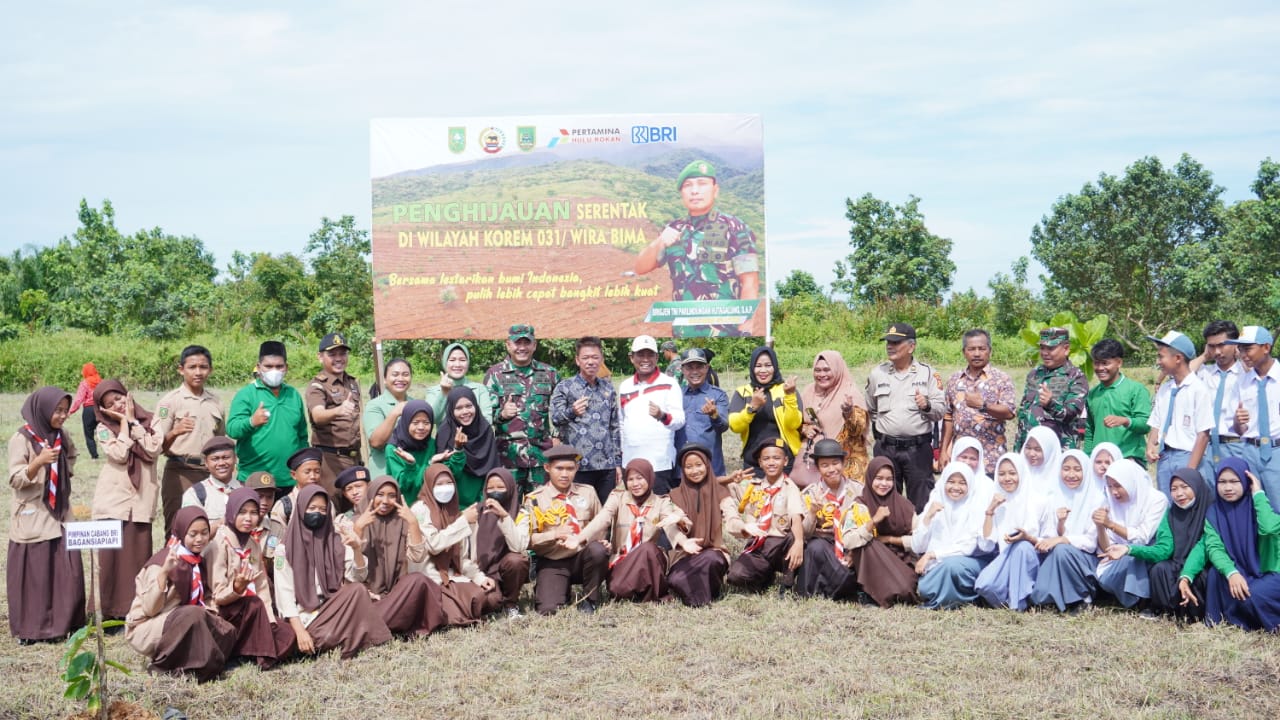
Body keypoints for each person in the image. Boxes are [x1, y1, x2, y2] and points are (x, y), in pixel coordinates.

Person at [633, 159, 761, 337]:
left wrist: (745, 328)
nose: (695, 191)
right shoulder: (674, 229)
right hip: (683, 333)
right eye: (688, 185)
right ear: (681, 193)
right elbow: (640, 267)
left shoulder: (734, 227)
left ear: (715, 190)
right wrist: (660, 241)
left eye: (702, 184)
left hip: (723, 334)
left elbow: (749, 281)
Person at [274, 485, 392, 659]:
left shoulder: (334, 540)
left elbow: (358, 576)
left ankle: (339, 637)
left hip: (332, 607)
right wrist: (300, 632)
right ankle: (334, 637)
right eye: (312, 508)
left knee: (357, 590)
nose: (318, 513)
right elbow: (285, 595)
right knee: (361, 604)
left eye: (323, 509)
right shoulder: (284, 549)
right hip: (307, 619)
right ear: (300, 509)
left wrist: (357, 549)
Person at [7, 386, 85, 643]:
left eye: (65, 411)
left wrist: (64, 474)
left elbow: (72, 455)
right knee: (36, 575)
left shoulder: (61, 436)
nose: (62, 416)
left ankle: (63, 626)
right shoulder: (22, 438)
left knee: (66, 570)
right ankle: (33, 629)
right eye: (57, 411)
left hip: (61, 513)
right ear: (42, 410)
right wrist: (38, 463)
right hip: (34, 514)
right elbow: (15, 479)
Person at [125, 507, 236, 681]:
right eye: (193, 534)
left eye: (204, 533)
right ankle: (165, 665)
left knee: (227, 631)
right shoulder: (162, 562)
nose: (199, 539)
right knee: (193, 615)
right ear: (181, 532)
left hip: (183, 619)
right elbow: (149, 609)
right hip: (147, 625)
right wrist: (164, 573)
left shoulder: (197, 560)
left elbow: (206, 597)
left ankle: (195, 662)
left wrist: (213, 617)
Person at [92, 379, 163, 621]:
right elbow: (119, 454)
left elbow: (153, 449)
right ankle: (107, 614)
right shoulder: (102, 428)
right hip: (113, 500)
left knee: (137, 556)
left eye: (119, 398)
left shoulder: (152, 420)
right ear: (103, 409)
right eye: (110, 404)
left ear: (128, 395)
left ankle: (135, 611)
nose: (118, 405)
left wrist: (133, 422)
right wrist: (123, 425)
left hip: (142, 499)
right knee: (110, 560)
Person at [1181, 459, 1280, 631]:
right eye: (1222, 482)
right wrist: (1231, 572)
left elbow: (1269, 529)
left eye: (1234, 482)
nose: (1227, 488)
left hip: (1270, 572)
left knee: (1252, 596)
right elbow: (1213, 547)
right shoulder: (1214, 511)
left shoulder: (1261, 505)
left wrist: (1257, 493)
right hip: (1241, 570)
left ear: (1246, 482)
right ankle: (1219, 621)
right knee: (1215, 574)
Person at [577, 459, 691, 603]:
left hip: (650, 561)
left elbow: (673, 525)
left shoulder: (661, 502)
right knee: (617, 589)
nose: (635, 484)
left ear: (650, 478)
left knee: (648, 549)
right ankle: (636, 588)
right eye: (630, 479)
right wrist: (579, 538)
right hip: (623, 559)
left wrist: (683, 538)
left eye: (640, 478)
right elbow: (602, 518)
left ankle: (652, 593)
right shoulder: (617, 497)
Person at [1102, 467, 1208, 620]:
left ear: (1197, 486)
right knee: (1160, 569)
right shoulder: (1171, 514)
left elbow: (1204, 549)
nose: (1179, 494)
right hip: (1177, 563)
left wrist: (1187, 575)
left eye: (1185, 487)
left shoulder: (1210, 512)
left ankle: (1198, 613)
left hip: (1202, 565)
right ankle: (1165, 610)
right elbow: (1164, 550)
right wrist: (1128, 549)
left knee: (1205, 576)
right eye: (1174, 489)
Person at [207, 488, 296, 668]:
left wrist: (270, 620)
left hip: (251, 611)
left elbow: (262, 585)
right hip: (224, 611)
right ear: (231, 511)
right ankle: (251, 652)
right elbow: (217, 596)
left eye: (254, 513)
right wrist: (238, 588)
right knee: (253, 604)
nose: (248, 518)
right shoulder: (218, 543)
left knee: (288, 634)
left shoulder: (252, 544)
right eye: (242, 512)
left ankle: (249, 649)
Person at [519, 445, 609, 615]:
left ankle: (590, 599)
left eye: (570, 469)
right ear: (547, 468)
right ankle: (560, 589)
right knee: (548, 609)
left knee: (598, 550)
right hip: (553, 560)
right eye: (559, 468)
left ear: (577, 469)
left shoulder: (588, 492)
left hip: (583, 557)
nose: (565, 474)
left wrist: (601, 540)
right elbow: (528, 540)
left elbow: (600, 523)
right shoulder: (535, 499)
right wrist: (554, 534)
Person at [865, 324, 946, 511]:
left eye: (896, 342)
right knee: (884, 498)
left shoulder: (928, 373)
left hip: (917, 449)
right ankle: (887, 540)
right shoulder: (878, 373)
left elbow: (941, 410)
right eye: (888, 342)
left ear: (911, 346)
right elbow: (871, 409)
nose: (890, 346)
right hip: (886, 447)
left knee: (921, 500)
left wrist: (926, 405)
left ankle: (919, 538)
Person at [358, 475, 446, 636]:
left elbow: (417, 556)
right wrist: (358, 528)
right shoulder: (354, 521)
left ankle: (377, 626)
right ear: (371, 495)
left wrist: (413, 523)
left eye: (391, 496)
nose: (385, 501)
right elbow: (349, 570)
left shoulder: (403, 522)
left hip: (396, 596)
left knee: (418, 580)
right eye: (380, 494)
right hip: (367, 598)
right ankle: (380, 624)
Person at [153, 345, 226, 537]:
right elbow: (157, 446)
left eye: (203, 367)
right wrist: (176, 431)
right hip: (180, 472)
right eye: (192, 367)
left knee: (210, 528)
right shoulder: (169, 402)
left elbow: (220, 440)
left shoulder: (216, 402)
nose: (198, 372)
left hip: (210, 473)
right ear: (181, 369)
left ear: (210, 370)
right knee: (178, 528)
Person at [414, 464, 500, 626]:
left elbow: (461, 557)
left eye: (449, 483)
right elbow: (433, 544)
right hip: (430, 577)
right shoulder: (420, 510)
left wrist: (478, 577)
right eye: (439, 484)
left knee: (493, 598)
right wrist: (463, 522)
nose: (445, 488)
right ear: (429, 485)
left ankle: (456, 601)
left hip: (453, 574)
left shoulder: (453, 510)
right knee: (458, 613)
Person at [1030, 447, 1109, 611]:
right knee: (1040, 594)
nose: (1071, 475)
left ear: (1085, 471)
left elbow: (1090, 543)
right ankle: (1056, 596)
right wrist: (1060, 525)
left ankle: (1081, 596)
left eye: (1077, 469)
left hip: (1087, 559)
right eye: (1066, 469)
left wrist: (1063, 539)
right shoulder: (1054, 496)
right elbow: (1048, 536)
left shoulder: (1096, 499)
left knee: (1062, 550)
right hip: (1059, 553)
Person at [484, 324, 560, 492]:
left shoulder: (550, 374)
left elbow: (560, 412)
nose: (522, 348)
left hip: (541, 457)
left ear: (534, 345)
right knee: (509, 508)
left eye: (527, 343)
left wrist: (557, 437)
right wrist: (501, 414)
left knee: (543, 509)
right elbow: (485, 415)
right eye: (518, 343)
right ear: (508, 344)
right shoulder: (495, 375)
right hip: (508, 457)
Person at [974, 453, 1055, 610]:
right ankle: (1016, 597)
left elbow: (1049, 540)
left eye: (1012, 473)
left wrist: (1028, 538)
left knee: (1022, 548)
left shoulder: (1039, 501)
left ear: (1022, 473)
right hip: (1004, 557)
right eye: (1002, 474)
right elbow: (986, 545)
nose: (1007, 478)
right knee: (984, 586)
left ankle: (1019, 603)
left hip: (1034, 557)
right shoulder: (995, 500)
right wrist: (990, 511)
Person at [795, 440, 873, 600]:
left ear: (843, 463)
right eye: (825, 465)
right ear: (817, 468)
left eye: (835, 463)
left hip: (851, 545)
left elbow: (867, 525)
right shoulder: (810, 493)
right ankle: (809, 592)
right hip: (825, 546)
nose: (831, 469)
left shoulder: (859, 491)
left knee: (847, 574)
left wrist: (853, 552)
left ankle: (834, 587)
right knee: (814, 547)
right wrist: (812, 513)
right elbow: (805, 534)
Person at [725, 441, 806, 593]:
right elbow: (718, 488)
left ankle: (788, 582)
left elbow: (796, 517)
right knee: (735, 576)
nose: (771, 462)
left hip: (781, 543)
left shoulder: (790, 487)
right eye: (766, 459)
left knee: (793, 539)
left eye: (776, 458)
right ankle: (764, 577)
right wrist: (730, 479)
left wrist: (799, 543)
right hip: (759, 544)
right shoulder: (752, 487)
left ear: (785, 461)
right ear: (760, 463)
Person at [549, 336, 622, 504]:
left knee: (605, 516)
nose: (591, 362)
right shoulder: (565, 387)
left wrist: (617, 462)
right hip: (577, 465)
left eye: (595, 357)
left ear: (601, 360)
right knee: (579, 515)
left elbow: (614, 427)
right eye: (586, 358)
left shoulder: (608, 389)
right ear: (577, 360)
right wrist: (572, 411)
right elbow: (555, 419)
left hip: (606, 466)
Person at [911, 462, 992, 609]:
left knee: (951, 566)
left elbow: (968, 547)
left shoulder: (975, 507)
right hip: (937, 566)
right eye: (951, 481)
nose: (956, 487)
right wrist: (928, 517)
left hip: (967, 564)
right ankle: (958, 597)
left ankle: (960, 598)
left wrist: (932, 554)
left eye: (962, 483)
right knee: (925, 588)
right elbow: (917, 546)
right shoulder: (935, 503)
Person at [227, 341, 308, 487]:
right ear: (258, 367)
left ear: (286, 368)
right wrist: (251, 422)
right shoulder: (246, 394)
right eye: (268, 366)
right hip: (254, 479)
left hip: (289, 479)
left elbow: (302, 435)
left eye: (279, 366)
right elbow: (232, 429)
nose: (274, 371)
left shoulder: (293, 395)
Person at [1145, 331, 1213, 500]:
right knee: (1166, 506)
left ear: (1178, 358)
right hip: (1165, 456)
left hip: (1187, 456)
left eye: (1161, 357)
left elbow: (1203, 435)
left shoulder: (1199, 390)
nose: (1158, 362)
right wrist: (1151, 445)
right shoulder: (1166, 389)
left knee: (1189, 506)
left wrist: (1190, 470)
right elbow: (1157, 422)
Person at [1093, 459, 1170, 608]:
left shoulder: (1156, 500)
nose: (1114, 492)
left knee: (1134, 557)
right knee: (1105, 577)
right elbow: (1106, 548)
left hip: (1148, 554)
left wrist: (1111, 524)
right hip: (1118, 557)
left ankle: (1144, 599)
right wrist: (1100, 527)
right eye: (1109, 486)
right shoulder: (1108, 501)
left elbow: (1143, 537)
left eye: (1118, 486)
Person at [941, 329, 1017, 477]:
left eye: (982, 349)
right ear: (964, 352)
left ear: (990, 351)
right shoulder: (954, 380)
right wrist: (944, 451)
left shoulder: (1001, 379)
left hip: (991, 459)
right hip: (961, 459)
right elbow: (948, 417)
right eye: (971, 349)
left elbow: (1009, 412)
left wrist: (984, 406)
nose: (977, 353)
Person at [666, 444, 735, 607]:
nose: (694, 471)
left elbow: (732, 514)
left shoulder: (720, 491)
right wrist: (682, 528)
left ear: (707, 465)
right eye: (688, 467)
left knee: (712, 559)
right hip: (685, 555)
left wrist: (742, 527)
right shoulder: (674, 495)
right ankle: (705, 592)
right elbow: (674, 521)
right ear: (682, 470)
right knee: (675, 579)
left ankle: (699, 599)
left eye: (699, 465)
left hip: (713, 551)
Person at [793, 350, 871, 488]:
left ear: (837, 369)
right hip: (812, 462)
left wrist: (848, 412)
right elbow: (795, 422)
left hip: (843, 465)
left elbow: (858, 429)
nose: (822, 375)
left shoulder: (850, 392)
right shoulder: (808, 391)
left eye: (827, 370)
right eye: (817, 370)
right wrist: (804, 428)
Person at [618, 335, 685, 494]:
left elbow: (679, 420)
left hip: (659, 462)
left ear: (657, 357)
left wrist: (662, 415)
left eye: (650, 355)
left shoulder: (669, 383)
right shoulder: (625, 386)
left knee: (659, 512)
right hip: (631, 462)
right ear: (631, 357)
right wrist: (622, 453)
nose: (645, 359)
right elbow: (621, 423)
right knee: (633, 511)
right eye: (640, 355)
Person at [853, 457, 920, 607]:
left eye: (889, 479)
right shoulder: (860, 504)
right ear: (870, 478)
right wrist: (874, 521)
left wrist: (890, 539)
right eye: (879, 478)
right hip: (870, 559)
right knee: (868, 544)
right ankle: (869, 593)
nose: (884, 484)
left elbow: (918, 540)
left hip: (901, 560)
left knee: (905, 590)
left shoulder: (905, 505)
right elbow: (851, 539)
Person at [1226, 326, 1280, 510]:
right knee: (1252, 507)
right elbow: (1238, 429)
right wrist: (1237, 421)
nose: (1243, 354)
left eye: (1248, 348)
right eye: (1240, 349)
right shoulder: (1242, 382)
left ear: (1266, 347)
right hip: (1250, 451)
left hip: (1276, 450)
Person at [728, 346, 802, 477]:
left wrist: (790, 396)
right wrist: (752, 408)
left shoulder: (787, 389)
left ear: (775, 367)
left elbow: (794, 424)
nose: (763, 370)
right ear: (752, 368)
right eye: (758, 366)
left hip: (784, 461)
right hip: (754, 461)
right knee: (755, 497)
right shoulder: (743, 392)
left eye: (768, 365)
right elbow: (735, 426)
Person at [306, 333, 363, 496]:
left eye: (343, 353)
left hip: (354, 458)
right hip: (331, 460)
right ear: (320, 357)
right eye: (332, 354)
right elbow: (317, 414)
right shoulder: (317, 385)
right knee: (333, 506)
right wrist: (338, 411)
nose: (339, 358)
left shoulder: (352, 383)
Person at [1015, 327, 1088, 452]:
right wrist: (1018, 449)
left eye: (1051, 348)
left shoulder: (1075, 376)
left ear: (1066, 349)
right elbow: (1024, 415)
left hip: (1058, 450)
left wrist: (1051, 404)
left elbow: (1071, 414)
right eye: (1042, 348)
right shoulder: (1034, 374)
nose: (1045, 353)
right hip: (1030, 451)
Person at [472, 468, 530, 617]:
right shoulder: (476, 512)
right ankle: (498, 598)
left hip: (508, 571)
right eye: (490, 488)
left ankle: (511, 603)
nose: (495, 491)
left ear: (510, 488)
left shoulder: (520, 513)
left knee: (516, 560)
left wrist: (504, 516)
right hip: (483, 573)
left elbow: (519, 547)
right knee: (490, 602)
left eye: (500, 487)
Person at [1083, 339, 1151, 462]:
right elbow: (1090, 430)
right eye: (1096, 363)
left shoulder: (1136, 390)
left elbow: (1146, 425)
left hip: (1128, 459)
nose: (1100, 368)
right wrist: (1087, 457)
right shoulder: (1093, 394)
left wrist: (1125, 421)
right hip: (1100, 462)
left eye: (1105, 363)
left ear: (1119, 362)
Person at [437, 387, 503, 509]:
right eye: (458, 408)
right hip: (453, 504)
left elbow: (492, 467)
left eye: (469, 406)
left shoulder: (484, 429)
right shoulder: (445, 433)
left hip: (484, 500)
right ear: (451, 410)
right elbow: (448, 474)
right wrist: (458, 449)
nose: (465, 412)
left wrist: (483, 502)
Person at [1193, 320, 1245, 466]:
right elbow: (1182, 375)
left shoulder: (1245, 374)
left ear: (1235, 344)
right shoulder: (1205, 373)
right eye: (1212, 346)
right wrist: (1204, 356)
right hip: (1206, 446)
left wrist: (1242, 357)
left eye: (1222, 345)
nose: (1217, 352)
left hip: (1236, 445)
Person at [673, 348, 730, 477]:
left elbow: (724, 426)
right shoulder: (676, 395)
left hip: (710, 468)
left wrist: (714, 415)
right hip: (682, 469)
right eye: (689, 367)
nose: (694, 372)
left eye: (699, 367)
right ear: (682, 370)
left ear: (707, 368)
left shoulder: (718, 395)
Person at [385, 400, 450, 505]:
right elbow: (403, 486)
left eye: (426, 423)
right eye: (415, 423)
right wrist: (413, 465)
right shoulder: (394, 448)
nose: (421, 427)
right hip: (404, 506)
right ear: (406, 422)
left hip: (430, 505)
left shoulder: (432, 444)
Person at [363, 358, 414, 478]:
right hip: (384, 474)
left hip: (410, 474)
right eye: (395, 375)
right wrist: (395, 413)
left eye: (405, 374)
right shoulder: (375, 405)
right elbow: (376, 442)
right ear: (385, 380)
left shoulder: (414, 404)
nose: (400, 379)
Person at [179, 436, 242, 534]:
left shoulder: (245, 490)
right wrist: (224, 522)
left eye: (226, 457)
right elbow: (192, 535)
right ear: (206, 463)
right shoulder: (195, 494)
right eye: (215, 459)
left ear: (235, 459)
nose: (221, 463)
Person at [425, 342, 494, 425]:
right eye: (452, 360)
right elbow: (431, 420)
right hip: (446, 438)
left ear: (468, 362)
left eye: (462, 360)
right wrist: (443, 393)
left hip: (475, 438)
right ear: (445, 362)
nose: (457, 364)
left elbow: (487, 420)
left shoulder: (480, 389)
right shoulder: (433, 391)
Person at [243, 471, 285, 587]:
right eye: (259, 496)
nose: (265, 502)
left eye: (270, 497)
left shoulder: (277, 529)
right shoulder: (236, 526)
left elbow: (280, 565)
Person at [271, 447, 324, 529]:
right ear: (293, 475)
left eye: (317, 472)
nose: (313, 476)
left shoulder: (327, 503)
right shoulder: (285, 505)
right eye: (307, 472)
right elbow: (277, 535)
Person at [69, 362, 102, 460]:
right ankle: (109, 449)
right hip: (100, 409)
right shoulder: (101, 382)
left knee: (89, 434)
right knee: (104, 431)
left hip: (89, 410)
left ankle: (94, 455)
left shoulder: (84, 383)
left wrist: (70, 411)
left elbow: (79, 399)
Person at [1020, 425, 1063, 495]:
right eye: (1028, 447)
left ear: (1049, 451)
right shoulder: (1016, 475)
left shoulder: (1061, 482)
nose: (1031, 454)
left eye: (1037, 449)